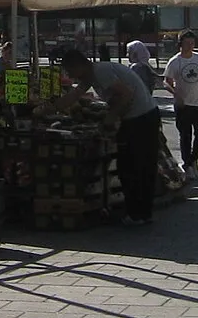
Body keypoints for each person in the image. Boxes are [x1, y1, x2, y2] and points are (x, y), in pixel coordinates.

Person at [56, 45, 161, 226]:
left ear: (79, 65)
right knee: (137, 166)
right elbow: (75, 94)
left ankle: (138, 213)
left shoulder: (101, 71)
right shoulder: (92, 74)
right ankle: (142, 213)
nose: (71, 76)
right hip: (140, 117)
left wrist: (111, 117)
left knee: (132, 167)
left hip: (140, 118)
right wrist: (51, 108)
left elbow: (126, 94)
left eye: (70, 70)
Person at [163, 31, 198, 179]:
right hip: (183, 105)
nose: (190, 46)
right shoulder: (175, 61)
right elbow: (167, 81)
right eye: (187, 43)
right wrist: (175, 93)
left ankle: (192, 159)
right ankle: (188, 163)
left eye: (192, 43)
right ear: (180, 44)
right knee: (185, 135)